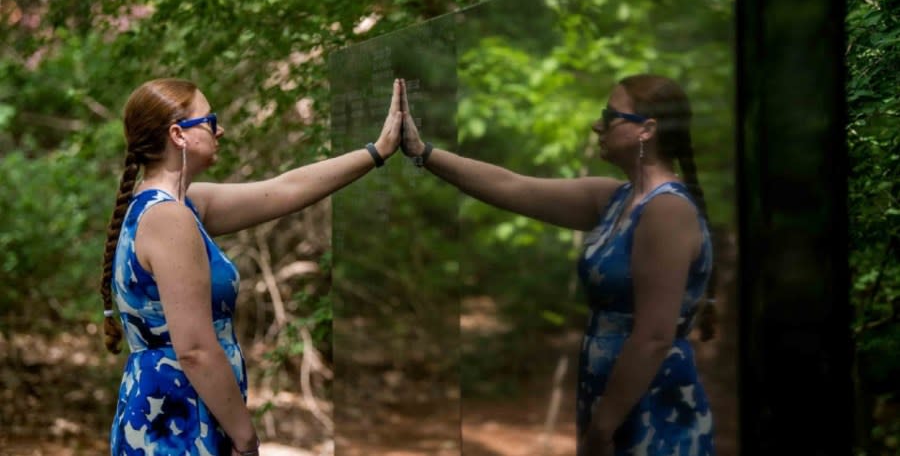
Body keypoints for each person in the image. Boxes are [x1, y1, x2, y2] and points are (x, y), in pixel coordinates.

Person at [398, 74, 717, 455]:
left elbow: (654, 338)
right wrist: (420, 150)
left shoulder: (666, 209)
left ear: (647, 130)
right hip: (617, 402)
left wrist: (603, 427)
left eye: (609, 115)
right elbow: (511, 186)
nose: (597, 125)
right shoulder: (614, 199)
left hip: (650, 406)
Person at [100, 78, 404, 455]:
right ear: (178, 135)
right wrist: (245, 436)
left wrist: (378, 151)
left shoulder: (175, 205)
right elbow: (194, 349)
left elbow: (284, 189)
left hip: (173, 409)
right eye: (210, 120)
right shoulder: (168, 217)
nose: (220, 129)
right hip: (178, 419)